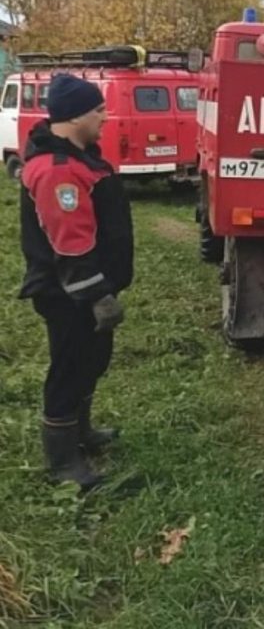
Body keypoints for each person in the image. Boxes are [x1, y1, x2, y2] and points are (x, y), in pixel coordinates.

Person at [19, 73, 134, 489]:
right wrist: (97, 295)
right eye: (98, 110)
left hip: (90, 291)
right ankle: (64, 463)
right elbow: (71, 245)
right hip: (69, 295)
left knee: (92, 362)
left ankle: (82, 433)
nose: (105, 116)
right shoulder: (59, 170)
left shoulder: (81, 156)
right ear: (74, 117)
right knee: (69, 369)